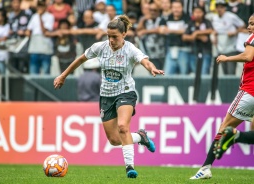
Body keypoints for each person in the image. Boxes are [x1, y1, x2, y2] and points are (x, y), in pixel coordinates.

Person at [54, 15, 164, 178]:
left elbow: (145, 61)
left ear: (124, 34)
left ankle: (129, 167)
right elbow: (80, 60)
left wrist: (152, 68)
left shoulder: (131, 49)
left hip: (126, 92)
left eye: (115, 37)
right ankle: (141, 137)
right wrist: (63, 75)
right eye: (109, 36)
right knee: (114, 140)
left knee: (122, 127)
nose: (111, 40)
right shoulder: (100, 47)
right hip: (106, 96)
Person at [190, 13, 254, 179]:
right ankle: (237, 136)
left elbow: (248, 56)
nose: (249, 27)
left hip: (249, 91)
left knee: (224, 127)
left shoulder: (253, 37)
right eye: (249, 23)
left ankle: (205, 168)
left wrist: (227, 58)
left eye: (253, 24)